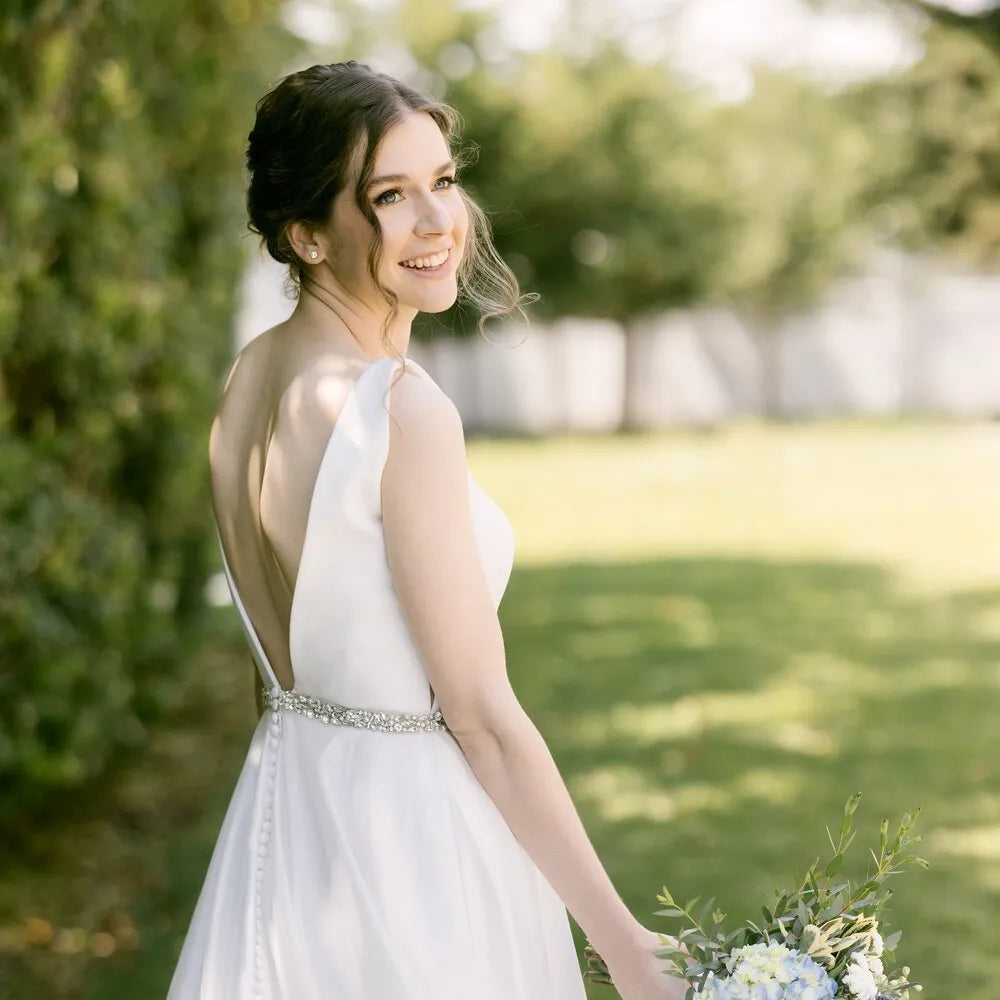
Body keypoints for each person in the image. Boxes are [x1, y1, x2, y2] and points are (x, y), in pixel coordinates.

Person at [166, 60, 684, 1000]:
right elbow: (481, 717)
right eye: (389, 197)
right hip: (414, 851)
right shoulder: (400, 410)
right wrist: (626, 947)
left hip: (288, 825)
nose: (439, 221)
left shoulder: (252, 377)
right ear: (306, 235)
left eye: (442, 181)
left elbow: (279, 667)